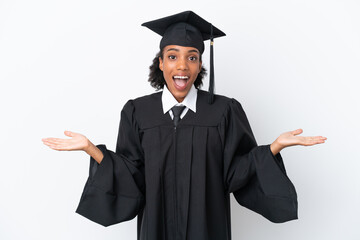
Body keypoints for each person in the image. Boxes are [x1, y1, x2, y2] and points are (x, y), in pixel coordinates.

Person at [42, 11, 327, 240]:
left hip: (208, 229)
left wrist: (274, 147)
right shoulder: (137, 111)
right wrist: (92, 150)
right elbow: (131, 176)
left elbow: (235, 174)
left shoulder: (225, 111)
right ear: (161, 63)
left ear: (201, 65)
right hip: (156, 229)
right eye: (173, 56)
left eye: (192, 57)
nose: (182, 65)